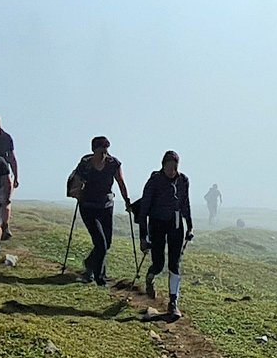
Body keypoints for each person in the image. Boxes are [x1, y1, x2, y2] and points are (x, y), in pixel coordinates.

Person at [135, 150, 194, 319]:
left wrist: (189, 226)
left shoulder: (183, 180)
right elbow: (144, 209)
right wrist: (143, 237)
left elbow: (185, 204)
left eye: (175, 167)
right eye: (170, 167)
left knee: (174, 264)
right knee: (159, 263)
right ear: (163, 165)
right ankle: (150, 276)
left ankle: (173, 303)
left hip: (176, 224)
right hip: (157, 224)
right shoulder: (154, 181)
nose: (172, 171)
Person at [67, 136, 128, 286]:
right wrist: (77, 191)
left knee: (107, 243)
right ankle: (98, 277)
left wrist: (127, 201)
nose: (104, 155)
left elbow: (120, 182)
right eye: (101, 152)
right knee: (100, 242)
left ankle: (89, 264)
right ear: (94, 150)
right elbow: (75, 183)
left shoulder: (113, 163)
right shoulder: (85, 164)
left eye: (106, 151)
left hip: (106, 206)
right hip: (88, 207)